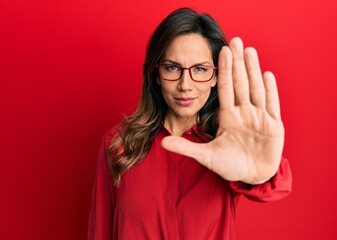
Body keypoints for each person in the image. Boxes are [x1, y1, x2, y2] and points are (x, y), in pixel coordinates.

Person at [88, 7, 292, 240]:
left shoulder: (228, 146)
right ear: (156, 73)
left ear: (216, 76)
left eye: (200, 69)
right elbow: (100, 231)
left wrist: (262, 175)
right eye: (172, 67)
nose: (185, 84)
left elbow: (275, 186)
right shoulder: (119, 143)